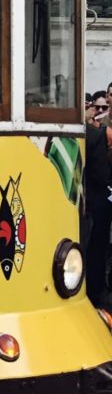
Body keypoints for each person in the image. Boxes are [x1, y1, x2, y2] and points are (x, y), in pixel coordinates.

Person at [84, 105, 112, 307]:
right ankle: (97, 289)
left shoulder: (95, 132)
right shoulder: (99, 133)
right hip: (101, 197)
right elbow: (101, 175)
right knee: (97, 246)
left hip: (91, 197)